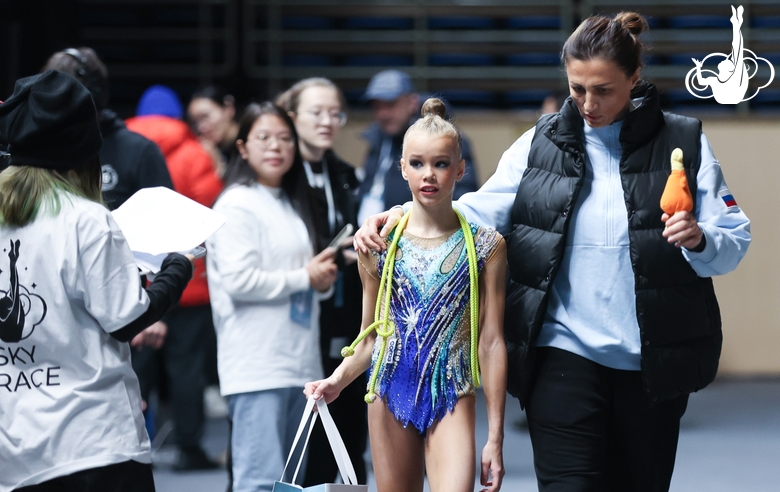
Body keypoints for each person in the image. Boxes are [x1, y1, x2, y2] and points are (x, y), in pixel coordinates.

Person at [355, 12, 751, 492]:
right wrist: (403, 215)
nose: (587, 103)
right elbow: (474, 212)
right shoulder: (540, 142)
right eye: (576, 88)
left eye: (603, 89)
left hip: (650, 366)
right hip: (562, 359)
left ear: (634, 78)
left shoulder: (684, 141)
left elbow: (734, 240)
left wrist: (700, 237)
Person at [0, 70, 194, 491]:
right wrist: (177, 266)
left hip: (14, 449)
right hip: (91, 441)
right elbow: (125, 319)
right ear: (86, 147)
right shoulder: (85, 219)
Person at [307, 98, 507, 492]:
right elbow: (371, 336)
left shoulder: (487, 246)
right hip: (387, 395)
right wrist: (338, 379)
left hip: (453, 394)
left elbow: (492, 341)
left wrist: (496, 436)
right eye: (417, 163)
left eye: (441, 163)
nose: (428, 174)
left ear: (460, 169)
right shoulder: (378, 246)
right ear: (402, 168)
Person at [206, 102, 338, 492]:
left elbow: (306, 275)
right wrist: (304, 276)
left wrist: (321, 277)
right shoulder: (236, 203)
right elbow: (238, 281)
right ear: (243, 148)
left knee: (289, 484)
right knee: (259, 482)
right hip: (256, 364)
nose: (276, 147)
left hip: (298, 362)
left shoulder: (292, 203)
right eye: (264, 138)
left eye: (284, 139)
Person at [125, 84, 223, 471]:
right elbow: (209, 209)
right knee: (188, 369)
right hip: (189, 280)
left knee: (137, 369)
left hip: (139, 279)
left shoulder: (123, 149)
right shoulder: (193, 152)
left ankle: (136, 448)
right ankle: (188, 447)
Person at [276, 77, 368, 486]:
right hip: (291, 322)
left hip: (342, 315)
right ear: (291, 117)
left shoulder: (344, 174)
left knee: (347, 433)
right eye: (316, 112)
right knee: (295, 442)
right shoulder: (278, 177)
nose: (328, 121)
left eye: (336, 113)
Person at [41, 47, 174, 210]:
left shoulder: (140, 152)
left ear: (95, 95)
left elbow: (167, 225)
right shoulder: (37, 153)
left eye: (67, 98)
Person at [357, 69, 479, 225]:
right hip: (367, 236)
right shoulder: (378, 138)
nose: (383, 114)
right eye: (377, 107)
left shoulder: (447, 141)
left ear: (412, 103)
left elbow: (462, 199)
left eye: (390, 105)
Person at [187, 85, 240, 178]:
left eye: (205, 117)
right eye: (195, 122)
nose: (200, 127)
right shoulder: (207, 150)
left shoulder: (250, 143)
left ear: (228, 109)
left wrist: (218, 165)